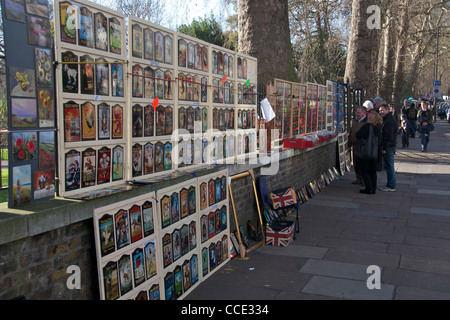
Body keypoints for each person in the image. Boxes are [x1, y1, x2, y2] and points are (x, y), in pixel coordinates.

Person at [355, 111, 382, 194]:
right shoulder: (378, 128)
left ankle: (368, 188)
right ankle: (373, 188)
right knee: (373, 171)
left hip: (366, 152)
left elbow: (358, 134)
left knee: (365, 171)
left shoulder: (367, 126)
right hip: (375, 153)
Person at [379, 104, 397, 192]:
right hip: (389, 146)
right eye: (380, 111)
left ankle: (391, 185)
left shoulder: (389, 121)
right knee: (389, 166)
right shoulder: (388, 119)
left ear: (387, 110)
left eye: (382, 110)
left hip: (388, 147)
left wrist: (384, 148)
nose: (380, 112)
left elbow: (388, 136)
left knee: (389, 167)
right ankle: (390, 184)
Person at [348, 105, 368, 185]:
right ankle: (358, 178)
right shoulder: (355, 122)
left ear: (364, 113)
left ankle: (363, 179)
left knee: (362, 163)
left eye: (359, 112)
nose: (357, 114)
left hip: (362, 146)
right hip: (355, 145)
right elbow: (351, 133)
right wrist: (349, 144)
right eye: (357, 112)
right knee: (356, 163)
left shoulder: (366, 122)